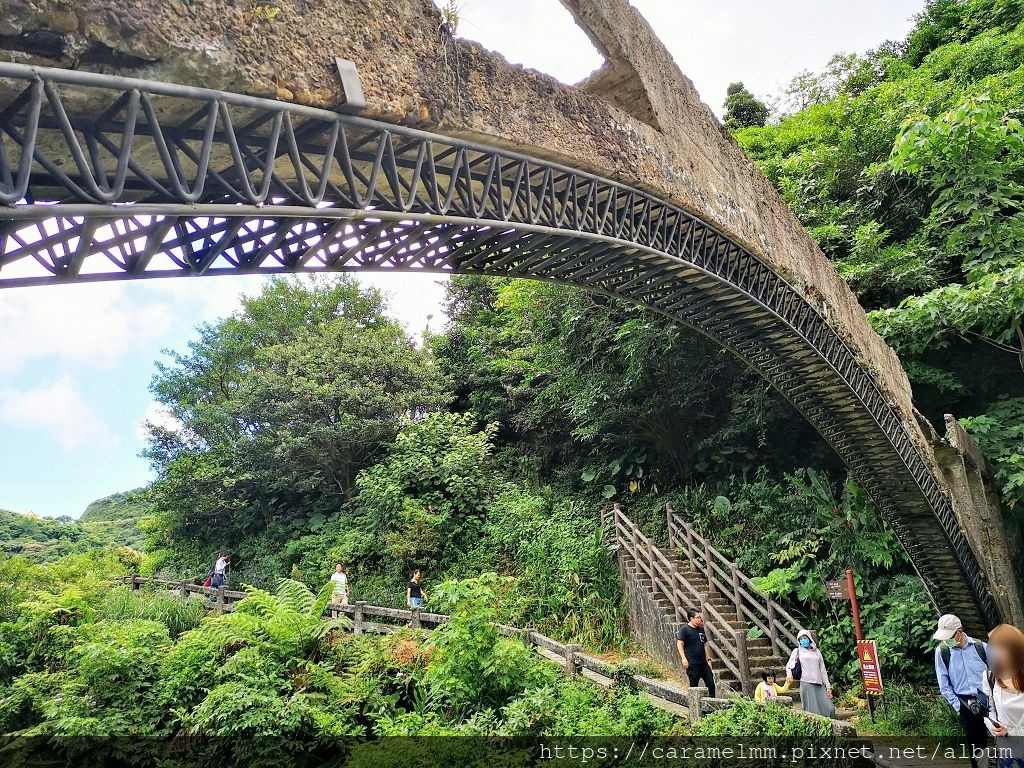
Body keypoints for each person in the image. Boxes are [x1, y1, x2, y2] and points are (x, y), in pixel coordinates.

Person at [934, 613, 991, 768]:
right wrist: (958, 705)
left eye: (950, 636)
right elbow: (944, 684)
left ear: (959, 632)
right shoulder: (942, 652)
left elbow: (997, 673)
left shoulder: (981, 647)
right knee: (976, 745)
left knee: (1003, 739)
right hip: (964, 701)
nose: (947, 640)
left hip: (988, 699)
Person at [981, 624, 1024, 767]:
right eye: (994, 647)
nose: (996, 653)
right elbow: (989, 711)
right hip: (1009, 754)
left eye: (1002, 647)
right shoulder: (990, 677)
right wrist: (995, 727)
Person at [786, 628, 834, 718]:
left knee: (830, 709)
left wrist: (828, 686)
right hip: (806, 683)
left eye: (805, 638)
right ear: (799, 641)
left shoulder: (817, 651)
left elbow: (822, 669)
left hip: (819, 684)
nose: (804, 640)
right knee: (813, 712)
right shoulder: (797, 651)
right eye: (801, 639)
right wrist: (789, 674)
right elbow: (789, 665)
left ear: (809, 638)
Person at [676, 608, 716, 698]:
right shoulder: (684, 630)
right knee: (694, 686)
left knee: (711, 684)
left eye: (700, 618)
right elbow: (679, 643)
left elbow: (705, 645)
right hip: (692, 663)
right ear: (691, 618)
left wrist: (709, 659)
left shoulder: (701, 630)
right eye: (697, 618)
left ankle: (712, 706)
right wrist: (683, 658)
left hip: (703, 663)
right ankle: (694, 706)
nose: (700, 620)